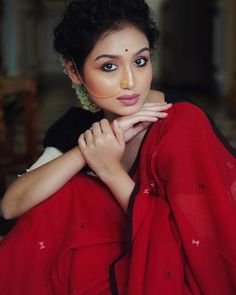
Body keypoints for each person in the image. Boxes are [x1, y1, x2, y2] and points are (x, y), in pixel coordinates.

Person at [0, 0, 236, 294]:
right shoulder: (76, 127)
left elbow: (201, 242)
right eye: (109, 66)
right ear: (74, 71)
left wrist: (110, 170)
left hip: (171, 270)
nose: (130, 82)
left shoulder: (180, 123)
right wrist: (89, 149)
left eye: (140, 61)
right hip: (112, 255)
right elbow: (11, 206)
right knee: (59, 197)